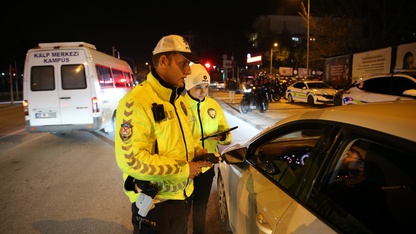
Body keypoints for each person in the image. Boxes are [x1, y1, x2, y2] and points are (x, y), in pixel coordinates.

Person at [114, 34, 212, 234]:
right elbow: (131, 161)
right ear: (163, 61)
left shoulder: (178, 100)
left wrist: (196, 152)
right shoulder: (136, 102)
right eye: (183, 63)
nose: (188, 71)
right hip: (155, 205)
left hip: (182, 199)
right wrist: (184, 169)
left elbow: (177, 142)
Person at [184, 63, 232, 234]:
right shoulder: (179, 106)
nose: (203, 91)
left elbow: (224, 128)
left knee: (200, 206)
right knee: (183, 207)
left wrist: (224, 136)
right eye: (198, 87)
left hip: (207, 166)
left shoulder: (213, 105)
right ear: (188, 85)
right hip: (186, 166)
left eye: (206, 87)